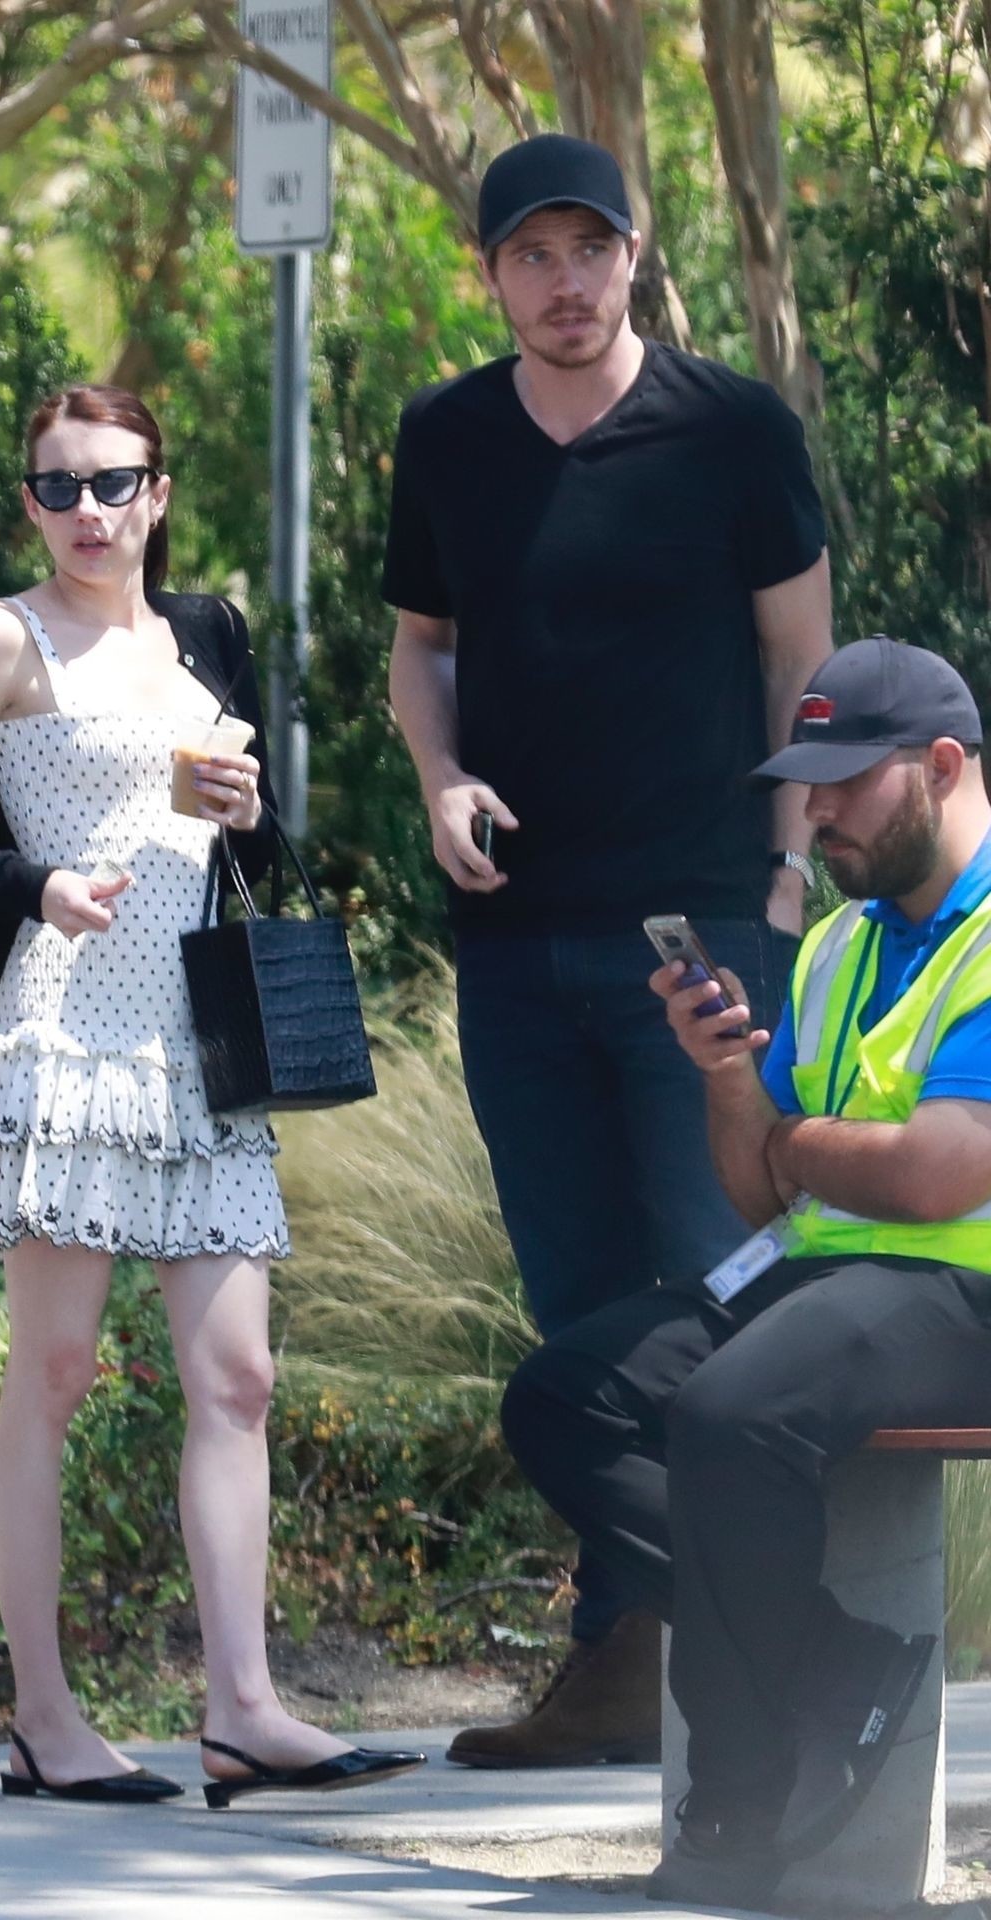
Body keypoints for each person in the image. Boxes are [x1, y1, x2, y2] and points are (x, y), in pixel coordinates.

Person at [0, 383, 423, 1807]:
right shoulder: (3, 638)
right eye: (57, 487)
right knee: (51, 1375)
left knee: (237, 1377)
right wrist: (31, 883)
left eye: (113, 483)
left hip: (197, 1048)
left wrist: (251, 814)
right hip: (69, 1038)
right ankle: (44, 1721)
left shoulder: (207, 635)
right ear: (29, 504)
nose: (88, 512)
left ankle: (244, 1710)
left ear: (157, 494)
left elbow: (245, 849)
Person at [382, 131, 833, 1766]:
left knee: (720, 1295)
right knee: (578, 1312)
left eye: (591, 249)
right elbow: (422, 650)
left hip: (698, 931)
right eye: (533, 254)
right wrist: (440, 777)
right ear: (490, 274)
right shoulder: (446, 438)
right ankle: (628, 1666)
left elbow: (803, 662)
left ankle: (775, 1662)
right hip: (516, 948)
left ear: (636, 256)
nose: (565, 282)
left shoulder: (732, 429)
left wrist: (786, 877)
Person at [500, 635, 991, 1908]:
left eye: (842, 780)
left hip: (965, 1293)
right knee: (565, 1395)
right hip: (832, 1278)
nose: (813, 812)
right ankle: (834, 1664)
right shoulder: (834, 944)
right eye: (803, 785)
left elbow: (940, 1174)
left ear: (942, 767)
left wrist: (787, 1140)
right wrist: (725, 1076)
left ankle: (734, 1815)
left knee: (730, 1413)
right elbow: (755, 1191)